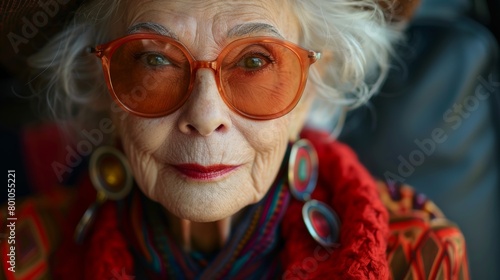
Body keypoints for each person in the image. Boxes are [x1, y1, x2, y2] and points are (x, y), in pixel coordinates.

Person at [0, 0, 469, 279]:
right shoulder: (19, 253)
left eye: (255, 62)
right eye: (155, 62)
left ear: (313, 84)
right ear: (102, 84)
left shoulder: (417, 258)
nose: (205, 118)